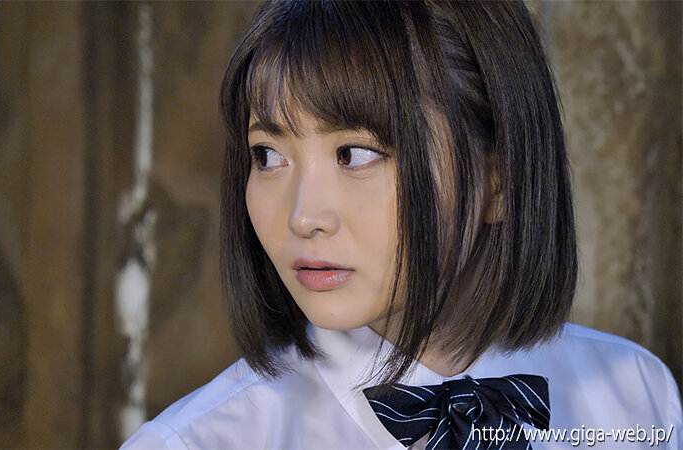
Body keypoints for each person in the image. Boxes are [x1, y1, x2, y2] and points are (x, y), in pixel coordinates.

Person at [122, 1, 682, 448]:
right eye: (267, 156)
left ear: (499, 179)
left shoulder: (635, 395)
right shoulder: (196, 442)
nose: (303, 217)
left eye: (354, 154)